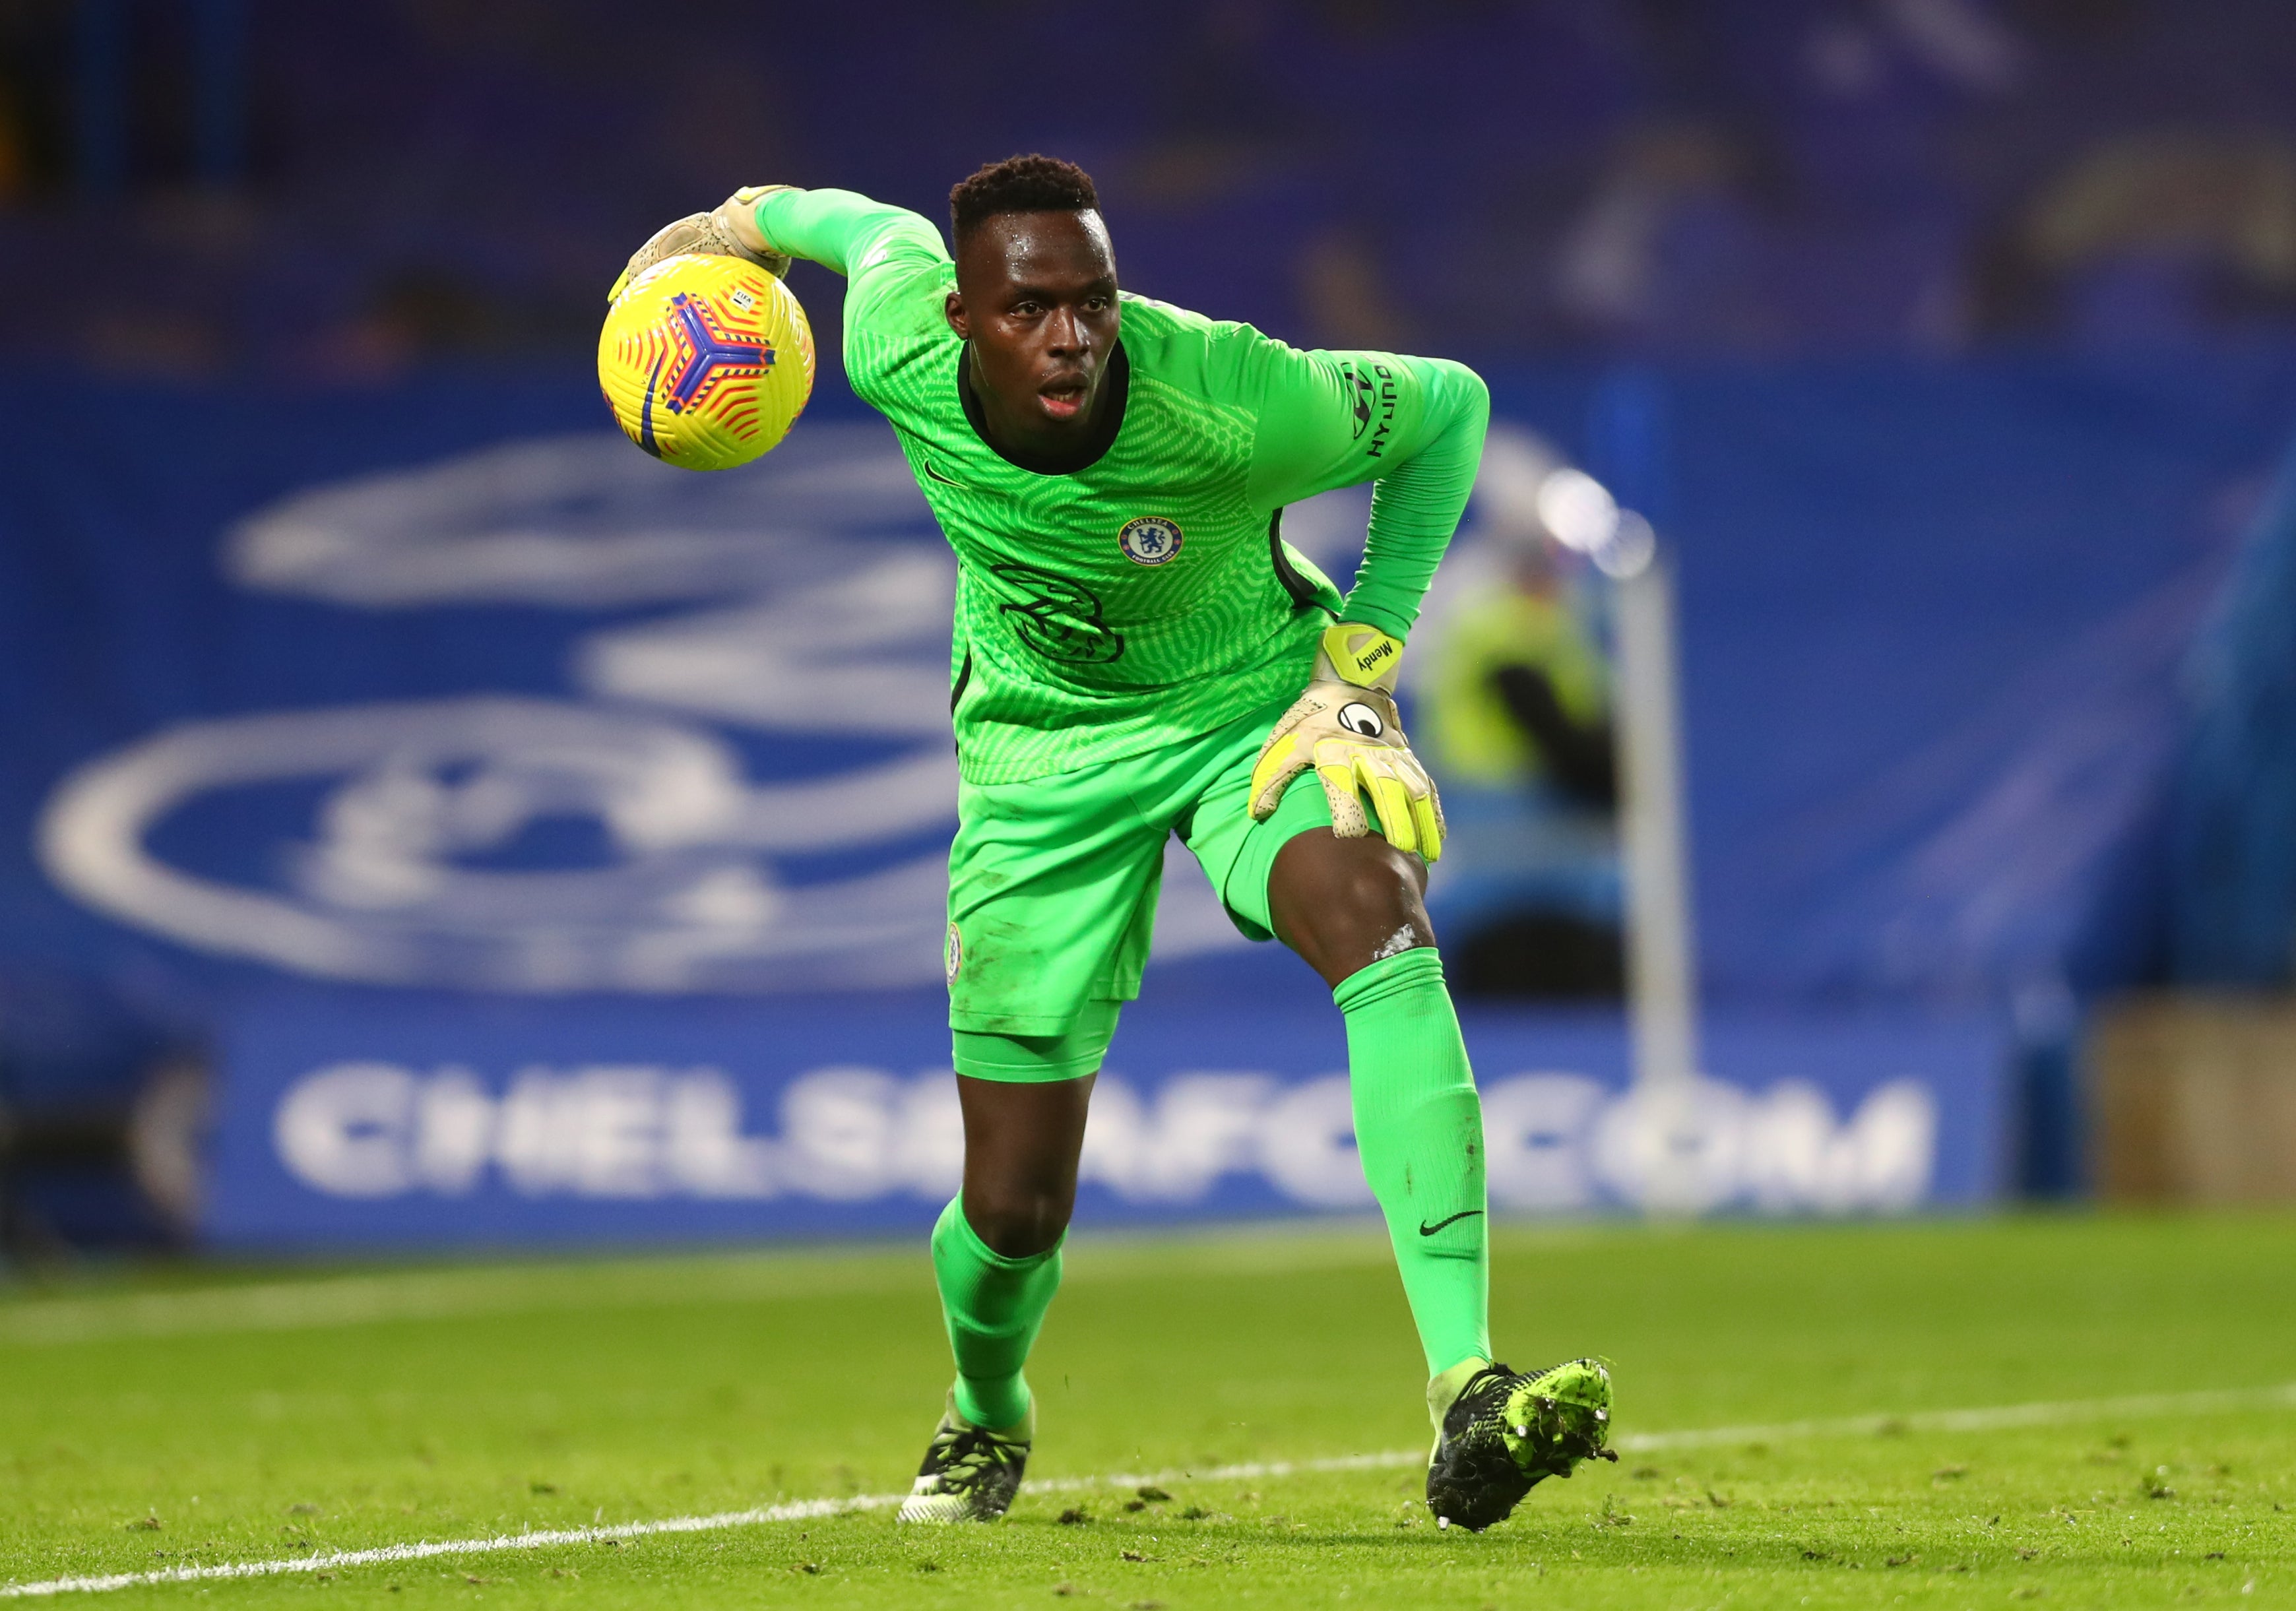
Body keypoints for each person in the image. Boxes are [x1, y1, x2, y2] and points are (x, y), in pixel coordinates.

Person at [611, 155, 1612, 1532]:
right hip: (1037, 762)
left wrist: (1360, 668)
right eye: (1030, 309)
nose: (1072, 336)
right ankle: (985, 1413)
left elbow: (1448, 411)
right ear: (965, 319)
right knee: (1015, 1208)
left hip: (1248, 711)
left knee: (1378, 913)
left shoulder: (1232, 395)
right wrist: (743, 221)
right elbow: (866, 229)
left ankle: (1467, 1382)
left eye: (1092, 299)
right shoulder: (896, 337)